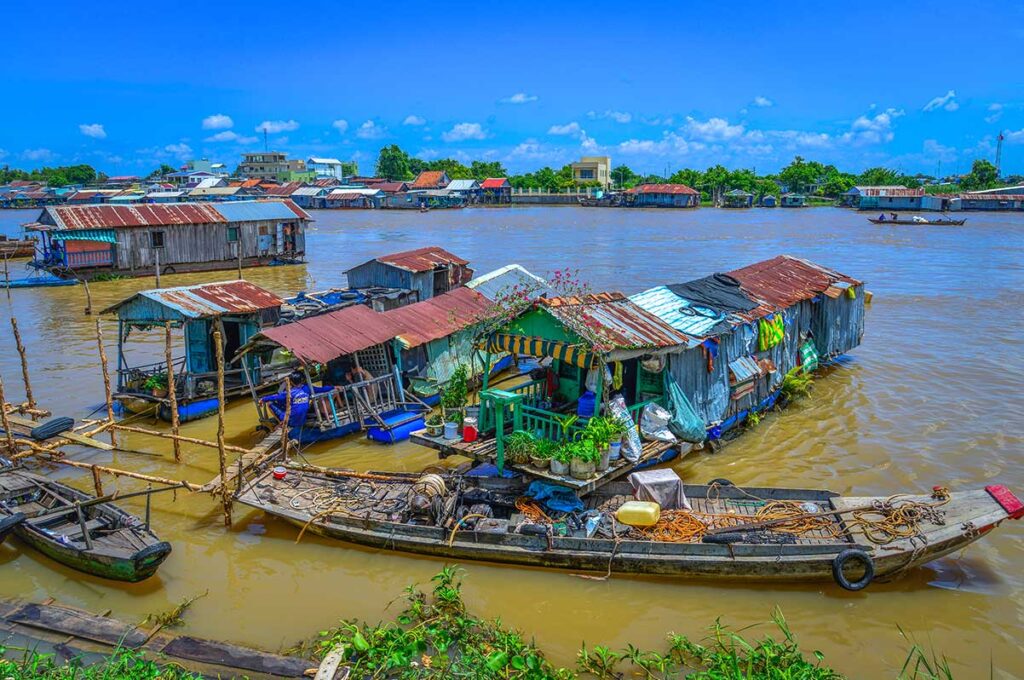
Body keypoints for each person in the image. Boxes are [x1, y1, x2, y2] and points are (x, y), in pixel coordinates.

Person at [259, 371, 332, 429]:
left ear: (291, 382)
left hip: (291, 422)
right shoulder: (307, 388)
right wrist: (333, 387)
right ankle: (284, 421)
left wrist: (263, 399)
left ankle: (282, 422)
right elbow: (322, 389)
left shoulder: (289, 392)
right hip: (303, 420)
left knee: (270, 403)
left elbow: (275, 397)